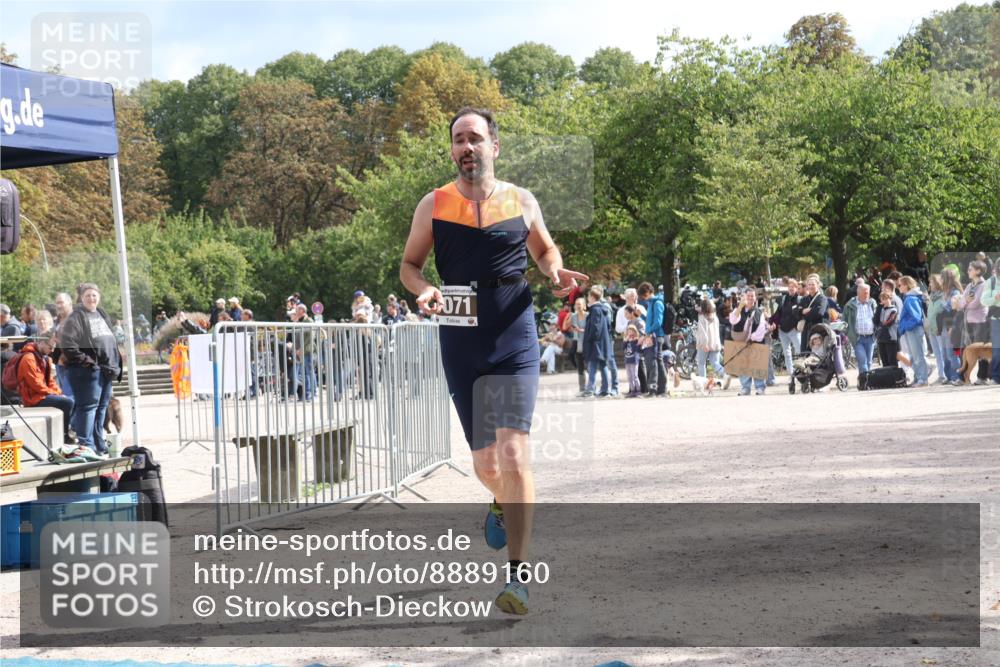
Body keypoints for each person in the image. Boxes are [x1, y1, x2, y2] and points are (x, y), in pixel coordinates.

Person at [400, 106, 586, 615]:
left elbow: (545, 251)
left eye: (475, 138)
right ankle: (500, 501)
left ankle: (519, 578)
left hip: (513, 333)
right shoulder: (433, 205)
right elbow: (409, 266)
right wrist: (424, 289)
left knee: (514, 455)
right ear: (453, 151)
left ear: (494, 147)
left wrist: (554, 272)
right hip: (461, 338)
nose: (467, 148)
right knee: (485, 463)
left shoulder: (520, 201)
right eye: (459, 140)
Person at [57, 283, 123, 455]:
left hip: (106, 370)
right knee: (88, 408)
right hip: (86, 372)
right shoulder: (76, 317)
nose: (91, 298)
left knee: (102, 408)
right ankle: (87, 445)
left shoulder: (101, 313)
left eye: (94, 295)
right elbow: (68, 345)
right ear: (81, 298)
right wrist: (88, 363)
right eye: (88, 295)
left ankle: (98, 443)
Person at [14, 333, 77, 444]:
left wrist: (58, 392)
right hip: (33, 399)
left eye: (54, 348)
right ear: (41, 343)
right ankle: (65, 434)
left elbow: (50, 381)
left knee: (72, 400)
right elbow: (35, 384)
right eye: (50, 347)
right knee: (68, 402)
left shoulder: (46, 359)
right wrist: (53, 393)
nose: (52, 350)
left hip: (43, 395)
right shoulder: (28, 358)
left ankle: (69, 430)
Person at [728, 288, 769, 395]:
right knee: (743, 364)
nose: (750, 298)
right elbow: (733, 320)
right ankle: (745, 387)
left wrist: (752, 338)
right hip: (741, 341)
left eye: (752, 296)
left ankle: (760, 387)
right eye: (748, 296)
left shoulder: (759, 312)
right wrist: (740, 306)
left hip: (755, 341)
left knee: (757, 363)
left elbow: (761, 329)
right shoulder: (738, 309)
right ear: (744, 297)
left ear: (755, 298)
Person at [955, 260, 989, 383]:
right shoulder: (969, 286)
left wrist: (964, 302)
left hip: (980, 322)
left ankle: (982, 377)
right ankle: (963, 377)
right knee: (965, 349)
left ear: (978, 271)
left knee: (980, 350)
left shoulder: (984, 285)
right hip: (967, 321)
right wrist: (965, 301)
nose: (967, 271)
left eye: (970, 269)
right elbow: (959, 304)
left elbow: (975, 304)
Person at [898, 276, 929, 387]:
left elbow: (916, 317)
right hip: (912, 330)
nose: (898, 287)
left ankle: (922, 379)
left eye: (900, 285)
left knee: (917, 355)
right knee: (914, 355)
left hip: (914, 330)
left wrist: (904, 326)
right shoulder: (909, 297)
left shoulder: (911, 298)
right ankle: (918, 377)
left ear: (906, 285)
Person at [614, 288, 648, 392]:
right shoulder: (621, 311)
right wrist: (629, 327)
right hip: (628, 342)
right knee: (630, 367)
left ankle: (644, 387)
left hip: (640, 340)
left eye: (632, 297)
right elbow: (617, 328)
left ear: (636, 297)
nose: (630, 299)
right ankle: (632, 388)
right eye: (628, 297)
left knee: (640, 364)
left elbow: (646, 324)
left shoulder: (641, 308)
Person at [582, 286, 612, 397]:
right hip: (602, 342)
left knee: (593, 366)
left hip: (595, 343)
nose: (587, 298)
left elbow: (595, 328)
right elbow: (608, 326)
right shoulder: (603, 309)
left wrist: (589, 339)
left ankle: (590, 389)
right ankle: (605, 389)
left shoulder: (595, 310)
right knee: (603, 365)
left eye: (589, 296)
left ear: (592, 297)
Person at [637, 282, 667, 397]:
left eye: (644, 295)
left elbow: (658, 322)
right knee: (656, 362)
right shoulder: (650, 303)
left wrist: (648, 332)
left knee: (654, 362)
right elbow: (650, 321)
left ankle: (655, 389)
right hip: (652, 335)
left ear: (650, 292)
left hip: (656, 336)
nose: (644, 298)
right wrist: (641, 316)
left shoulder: (657, 303)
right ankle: (660, 390)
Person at [844, 282, 877, 375]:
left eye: (868, 292)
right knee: (862, 361)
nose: (867, 294)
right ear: (858, 293)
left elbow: (877, 318)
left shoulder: (872, 303)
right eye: (864, 292)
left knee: (869, 361)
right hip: (857, 338)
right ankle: (865, 381)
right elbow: (844, 321)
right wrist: (849, 333)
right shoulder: (849, 305)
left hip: (871, 337)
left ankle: (866, 380)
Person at [694, 299, 728, 385]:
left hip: (705, 344)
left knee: (701, 363)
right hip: (715, 343)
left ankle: (704, 383)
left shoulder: (702, 317)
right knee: (715, 363)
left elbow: (703, 332)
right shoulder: (715, 317)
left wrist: (704, 344)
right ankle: (725, 374)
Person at [773, 278, 802, 379]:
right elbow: (777, 312)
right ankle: (791, 373)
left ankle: (802, 371)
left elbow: (801, 315)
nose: (791, 289)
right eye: (789, 287)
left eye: (793, 287)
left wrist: (797, 326)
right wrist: (776, 323)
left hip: (794, 330)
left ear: (797, 288)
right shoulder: (783, 298)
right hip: (783, 330)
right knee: (787, 353)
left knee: (800, 352)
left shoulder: (800, 300)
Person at [980, 261, 1000, 385]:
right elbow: (983, 301)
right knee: (997, 349)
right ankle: (996, 377)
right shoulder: (991, 282)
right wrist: (995, 298)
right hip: (996, 320)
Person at [799, 274, 827, 352]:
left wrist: (804, 314)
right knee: (804, 354)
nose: (811, 286)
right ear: (807, 286)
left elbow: (819, 313)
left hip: (817, 330)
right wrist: (802, 311)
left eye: (813, 284)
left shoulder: (822, 298)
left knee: (817, 357)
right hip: (806, 331)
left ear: (818, 285)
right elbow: (795, 312)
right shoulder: (804, 299)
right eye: (809, 284)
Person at [566, 297, 588, 392]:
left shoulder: (588, 315)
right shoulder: (574, 316)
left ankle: (591, 387)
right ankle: (582, 389)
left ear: (584, 306)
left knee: (589, 365)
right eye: (576, 304)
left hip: (586, 342)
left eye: (579, 304)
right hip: (577, 341)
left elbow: (591, 329)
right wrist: (569, 316)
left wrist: (581, 330)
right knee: (580, 366)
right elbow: (565, 326)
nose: (578, 306)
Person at [876, 291, 899, 368]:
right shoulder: (881, 309)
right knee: (884, 361)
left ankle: (895, 378)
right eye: (882, 299)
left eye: (885, 299)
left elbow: (889, 322)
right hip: (881, 338)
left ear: (890, 299)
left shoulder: (894, 310)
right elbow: (876, 321)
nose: (883, 301)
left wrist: (881, 325)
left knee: (892, 360)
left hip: (890, 338)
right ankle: (887, 378)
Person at [623, 324, 642, 397]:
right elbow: (624, 349)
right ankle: (632, 390)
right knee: (629, 376)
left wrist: (632, 342)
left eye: (631, 331)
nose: (629, 333)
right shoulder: (627, 340)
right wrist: (625, 341)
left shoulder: (636, 340)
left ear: (634, 332)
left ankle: (638, 390)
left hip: (634, 360)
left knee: (635, 376)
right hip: (627, 360)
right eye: (628, 331)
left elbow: (636, 350)